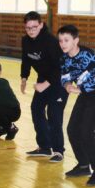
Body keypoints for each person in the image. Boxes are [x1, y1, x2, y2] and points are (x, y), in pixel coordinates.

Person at [58, 25, 95, 186]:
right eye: (60, 41)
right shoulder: (64, 58)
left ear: (76, 41)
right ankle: (83, 165)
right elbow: (64, 76)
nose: (63, 44)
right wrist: (66, 85)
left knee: (87, 132)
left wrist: (80, 88)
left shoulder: (88, 54)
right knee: (72, 129)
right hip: (84, 95)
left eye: (66, 40)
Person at [20, 11, 68, 162]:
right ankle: (45, 147)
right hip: (44, 79)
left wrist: (45, 84)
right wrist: (24, 77)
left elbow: (60, 67)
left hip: (59, 80)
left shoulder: (50, 41)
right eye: (28, 28)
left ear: (41, 25)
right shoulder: (26, 41)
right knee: (36, 108)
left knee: (54, 114)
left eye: (34, 26)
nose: (31, 30)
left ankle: (59, 150)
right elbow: (26, 59)